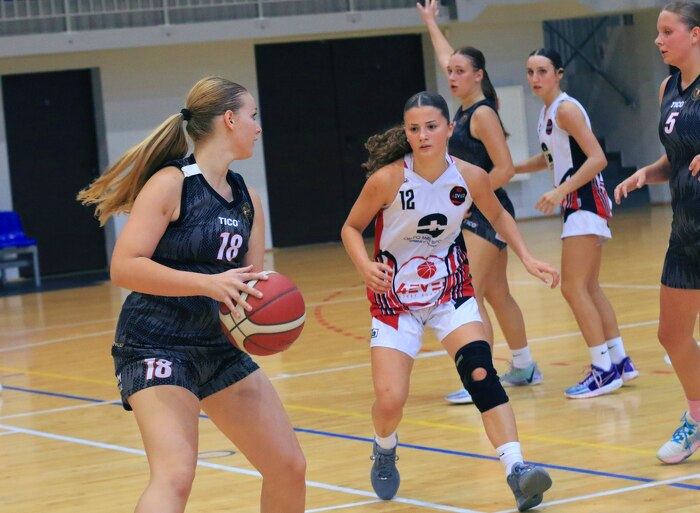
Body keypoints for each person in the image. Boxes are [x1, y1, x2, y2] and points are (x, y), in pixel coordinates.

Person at [77, 76, 306, 513]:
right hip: (155, 344)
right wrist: (206, 283)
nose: (259, 126)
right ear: (230, 119)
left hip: (218, 347)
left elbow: (249, 285)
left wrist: (271, 314)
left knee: (288, 467)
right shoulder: (172, 183)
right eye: (253, 116)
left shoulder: (248, 200)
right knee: (175, 474)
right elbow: (124, 266)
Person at [341, 91, 556, 511]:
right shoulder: (387, 179)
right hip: (394, 299)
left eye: (431, 126)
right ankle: (384, 446)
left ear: (449, 129)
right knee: (390, 400)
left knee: (481, 372)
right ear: (406, 134)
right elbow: (350, 227)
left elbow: (498, 215)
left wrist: (527, 257)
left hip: (450, 291)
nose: (423, 135)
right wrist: (365, 266)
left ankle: (517, 470)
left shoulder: (469, 176)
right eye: (414, 129)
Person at [418, 0, 542, 406]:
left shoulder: (483, 114)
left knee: (468, 296)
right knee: (497, 293)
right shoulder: (466, 106)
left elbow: (504, 168)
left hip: (485, 213)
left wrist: (472, 197)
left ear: (478, 75)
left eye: (460, 71)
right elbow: (445, 55)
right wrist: (431, 23)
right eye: (450, 71)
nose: (451, 76)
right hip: (482, 210)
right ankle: (523, 365)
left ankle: (480, 379)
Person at [515, 49, 638, 399]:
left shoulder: (566, 109)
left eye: (542, 71)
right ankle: (619, 360)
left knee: (572, 288)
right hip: (578, 203)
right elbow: (552, 157)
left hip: (584, 200)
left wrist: (560, 191)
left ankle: (603, 370)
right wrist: (513, 169)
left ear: (559, 74)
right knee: (589, 287)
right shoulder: (547, 113)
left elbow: (597, 158)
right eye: (530, 72)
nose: (535, 78)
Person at [615, 1, 700, 464]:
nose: (658, 39)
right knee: (672, 335)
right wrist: (647, 173)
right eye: (658, 31)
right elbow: (677, 155)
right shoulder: (669, 87)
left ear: (696, 34)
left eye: (668, 31)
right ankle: (698, 418)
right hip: (686, 227)